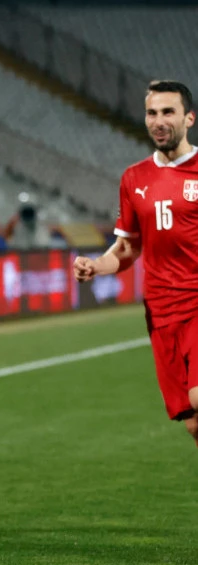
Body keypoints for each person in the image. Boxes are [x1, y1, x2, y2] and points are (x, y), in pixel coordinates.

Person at [75, 80, 198, 445]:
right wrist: (97, 265)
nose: (159, 121)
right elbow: (127, 248)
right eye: (151, 113)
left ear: (189, 118)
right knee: (192, 422)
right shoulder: (134, 178)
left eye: (168, 112)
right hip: (160, 311)